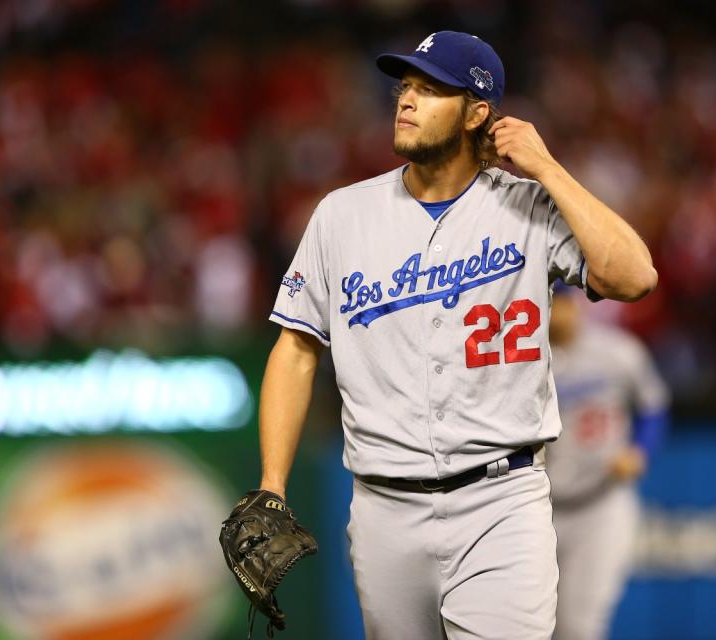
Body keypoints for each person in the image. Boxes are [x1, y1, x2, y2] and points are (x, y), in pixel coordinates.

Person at [258, 30, 657, 639]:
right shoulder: (342, 215)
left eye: (430, 89)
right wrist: (272, 484)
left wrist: (548, 168)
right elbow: (296, 351)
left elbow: (634, 276)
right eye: (405, 87)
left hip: (502, 500)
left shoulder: (530, 207)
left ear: (478, 113)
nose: (407, 100)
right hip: (384, 506)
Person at [547, 285, 670, 640]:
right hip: (539, 507)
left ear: (576, 303)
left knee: (578, 628)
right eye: (550, 303)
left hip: (600, 505)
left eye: (564, 302)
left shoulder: (617, 351)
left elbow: (654, 406)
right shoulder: (523, 358)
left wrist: (640, 450)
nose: (559, 312)